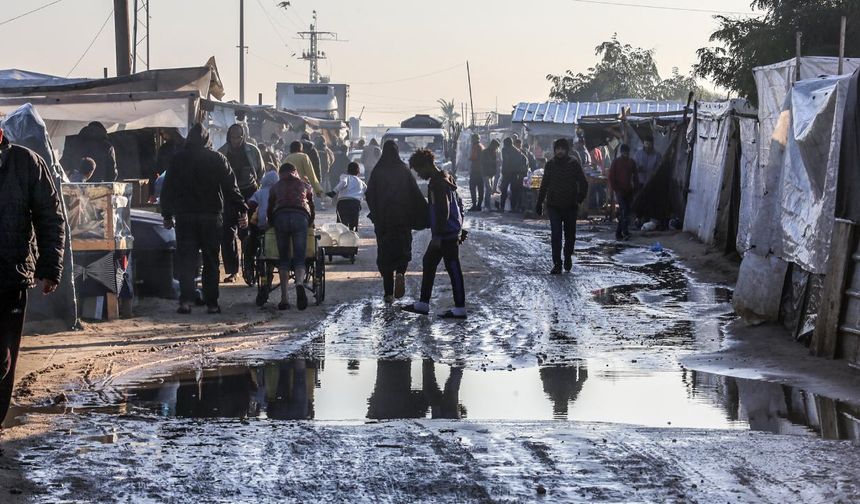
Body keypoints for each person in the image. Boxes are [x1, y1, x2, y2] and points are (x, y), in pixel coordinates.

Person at [0, 129, 65, 427]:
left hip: (9, 278)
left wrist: (50, 267)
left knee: (3, 355)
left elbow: (49, 215)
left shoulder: (26, 162)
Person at [161, 123, 248, 315]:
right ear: (208, 140)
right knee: (211, 261)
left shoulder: (178, 159)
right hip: (211, 217)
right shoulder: (218, 159)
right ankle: (212, 304)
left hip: (185, 217)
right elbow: (231, 188)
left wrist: (167, 214)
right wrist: (243, 209)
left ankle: (185, 302)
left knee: (186, 260)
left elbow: (168, 189)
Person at [401, 149, 468, 319]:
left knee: (453, 268)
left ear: (426, 166)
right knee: (430, 262)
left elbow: (443, 210)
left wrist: (438, 235)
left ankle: (460, 308)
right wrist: (460, 225)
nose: (418, 175)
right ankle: (423, 303)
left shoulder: (437, 184)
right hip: (450, 231)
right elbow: (459, 204)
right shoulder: (446, 177)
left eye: (418, 170)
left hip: (445, 234)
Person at [365, 140, 426, 304]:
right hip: (403, 219)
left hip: (384, 221)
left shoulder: (378, 170)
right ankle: (400, 272)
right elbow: (415, 193)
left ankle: (388, 294)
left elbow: (369, 194)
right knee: (402, 249)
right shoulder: (404, 170)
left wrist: (376, 213)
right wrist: (425, 212)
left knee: (385, 255)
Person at [218, 124, 264, 284]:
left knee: (249, 231)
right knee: (227, 233)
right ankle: (232, 271)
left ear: (243, 136)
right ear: (229, 137)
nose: (236, 140)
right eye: (233, 137)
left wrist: (256, 188)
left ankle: (251, 266)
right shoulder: (222, 152)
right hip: (229, 196)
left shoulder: (253, 151)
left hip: (249, 194)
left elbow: (260, 171)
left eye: (239, 137)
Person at [536, 138, 588, 275]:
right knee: (556, 235)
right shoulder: (550, 165)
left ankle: (568, 256)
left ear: (566, 150)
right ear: (554, 150)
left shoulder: (573, 164)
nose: (559, 151)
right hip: (554, 206)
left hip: (570, 206)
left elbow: (584, 183)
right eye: (557, 149)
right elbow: (544, 185)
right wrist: (539, 202)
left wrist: (579, 198)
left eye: (562, 149)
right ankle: (557, 264)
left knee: (570, 235)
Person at [267, 162, 315, 311]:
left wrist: (271, 223)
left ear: (281, 174)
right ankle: (299, 283)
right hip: (301, 217)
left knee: (284, 259)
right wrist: (310, 223)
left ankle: (284, 299)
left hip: (280, 217)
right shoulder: (305, 186)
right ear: (295, 172)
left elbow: (269, 208)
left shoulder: (275, 187)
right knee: (300, 258)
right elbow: (312, 207)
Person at [608, 144, 638, 241]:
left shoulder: (631, 162)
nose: (626, 154)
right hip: (620, 190)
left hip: (629, 190)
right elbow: (611, 176)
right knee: (624, 211)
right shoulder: (616, 162)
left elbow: (635, 176)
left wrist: (635, 188)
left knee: (626, 212)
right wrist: (615, 188)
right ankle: (624, 232)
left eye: (627, 152)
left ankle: (619, 232)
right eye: (624, 152)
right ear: (621, 152)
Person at [327, 162, 366, 231]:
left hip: (343, 203)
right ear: (358, 171)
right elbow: (367, 190)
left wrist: (334, 192)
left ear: (347, 170)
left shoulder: (346, 177)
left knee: (342, 225)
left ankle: (342, 238)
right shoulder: (361, 182)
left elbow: (343, 183)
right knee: (353, 225)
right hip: (355, 204)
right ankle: (352, 237)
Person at [500, 137, 528, 213]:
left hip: (507, 173)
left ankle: (502, 207)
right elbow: (525, 160)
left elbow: (506, 161)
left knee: (504, 190)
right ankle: (513, 208)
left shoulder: (505, 150)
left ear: (506, 144)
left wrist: (503, 170)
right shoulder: (517, 151)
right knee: (514, 191)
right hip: (515, 173)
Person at [481, 139, 500, 210]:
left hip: (491, 174)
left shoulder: (494, 152)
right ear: (493, 145)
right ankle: (487, 205)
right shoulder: (485, 152)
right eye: (496, 147)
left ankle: (487, 205)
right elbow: (484, 162)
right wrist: (494, 162)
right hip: (485, 173)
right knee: (489, 189)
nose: (496, 148)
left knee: (488, 190)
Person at [467, 134, 484, 212]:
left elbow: (473, 157)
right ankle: (479, 206)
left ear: (474, 139)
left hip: (475, 171)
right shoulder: (481, 146)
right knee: (480, 189)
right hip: (481, 171)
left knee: (472, 188)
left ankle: (474, 205)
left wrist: (469, 158)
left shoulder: (475, 146)